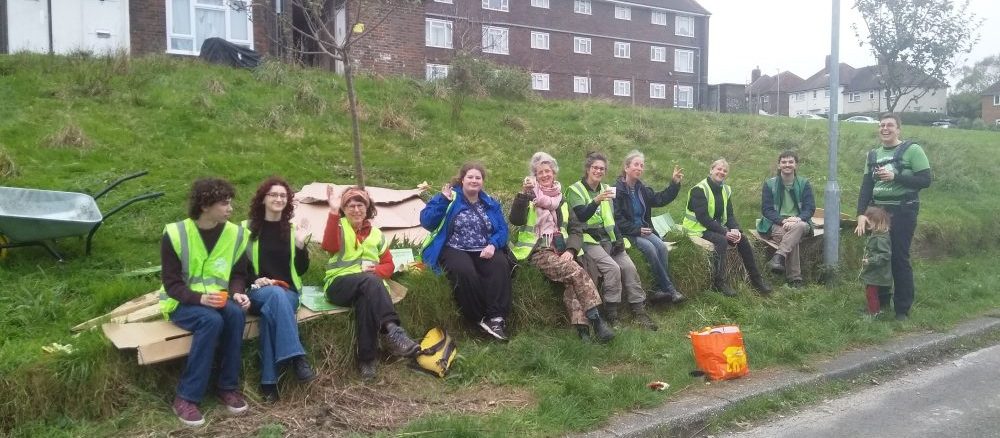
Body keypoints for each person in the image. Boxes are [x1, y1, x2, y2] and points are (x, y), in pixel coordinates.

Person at [159, 178, 250, 427]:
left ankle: (227, 387)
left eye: (230, 203)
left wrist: (238, 292)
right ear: (205, 205)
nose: (230, 209)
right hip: (182, 302)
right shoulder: (176, 234)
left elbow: (238, 274)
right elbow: (172, 284)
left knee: (235, 314)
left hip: (217, 298)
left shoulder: (236, 234)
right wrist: (199, 298)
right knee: (210, 320)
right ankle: (186, 397)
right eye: (224, 203)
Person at [509, 152, 615, 342]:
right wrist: (524, 195)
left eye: (547, 171)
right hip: (540, 251)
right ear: (535, 175)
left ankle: (583, 333)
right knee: (576, 271)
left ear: (554, 173)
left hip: (562, 250)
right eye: (539, 172)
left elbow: (575, 228)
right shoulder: (529, 196)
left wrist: (570, 250)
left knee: (572, 282)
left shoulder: (561, 199)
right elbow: (515, 219)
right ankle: (597, 322)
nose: (544, 175)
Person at [321, 186, 420, 380]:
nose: (356, 210)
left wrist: (377, 270)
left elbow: (389, 264)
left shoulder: (376, 234)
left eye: (360, 205)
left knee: (366, 303)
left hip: (369, 288)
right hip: (339, 284)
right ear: (344, 209)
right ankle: (392, 330)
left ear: (367, 209)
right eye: (351, 206)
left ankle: (367, 361)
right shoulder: (338, 225)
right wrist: (333, 211)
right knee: (371, 282)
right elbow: (328, 246)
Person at [420, 162, 514, 341]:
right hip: (455, 247)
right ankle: (479, 318)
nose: (474, 180)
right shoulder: (449, 197)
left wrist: (493, 245)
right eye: (470, 177)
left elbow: (502, 230)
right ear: (462, 179)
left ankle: (497, 318)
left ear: (482, 182)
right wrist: (442, 201)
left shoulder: (490, 203)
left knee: (500, 265)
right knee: (464, 271)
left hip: (484, 247)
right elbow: (427, 222)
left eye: (478, 178)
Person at [566, 151, 658, 330]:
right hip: (589, 239)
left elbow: (612, 217)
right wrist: (596, 201)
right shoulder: (575, 189)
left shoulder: (607, 188)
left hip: (608, 237)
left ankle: (639, 310)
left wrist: (619, 239)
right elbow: (582, 216)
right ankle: (612, 314)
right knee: (613, 269)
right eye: (595, 168)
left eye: (602, 169)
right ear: (587, 169)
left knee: (630, 267)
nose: (598, 171)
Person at [243, 177, 315, 402]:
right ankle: (296, 357)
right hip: (256, 291)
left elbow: (301, 270)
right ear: (263, 199)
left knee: (272, 309)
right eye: (273, 195)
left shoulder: (293, 230)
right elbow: (236, 268)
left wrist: (301, 245)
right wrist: (256, 280)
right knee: (274, 295)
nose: (278, 199)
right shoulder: (246, 230)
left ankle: (268, 384)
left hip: (288, 293)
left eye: (283, 195)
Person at [854, 113, 931, 321]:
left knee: (898, 257)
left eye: (890, 125)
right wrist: (861, 214)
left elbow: (925, 180)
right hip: (879, 213)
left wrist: (896, 177)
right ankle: (880, 303)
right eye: (881, 125)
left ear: (899, 129)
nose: (885, 129)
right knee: (879, 257)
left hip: (904, 210)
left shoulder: (912, 150)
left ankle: (902, 310)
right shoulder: (873, 155)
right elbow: (866, 187)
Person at [682, 159, 772, 297]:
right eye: (719, 169)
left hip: (714, 226)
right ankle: (719, 282)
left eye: (725, 171)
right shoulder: (699, 190)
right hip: (697, 228)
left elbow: (729, 214)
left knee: (742, 239)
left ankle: (757, 280)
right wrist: (725, 232)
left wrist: (735, 229)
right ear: (711, 170)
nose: (721, 172)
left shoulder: (726, 189)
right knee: (721, 241)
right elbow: (703, 218)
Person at [612, 150, 686, 304]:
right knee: (651, 249)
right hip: (628, 233)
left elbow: (660, 199)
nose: (639, 168)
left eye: (641, 165)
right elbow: (617, 219)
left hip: (644, 230)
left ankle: (659, 289)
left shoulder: (642, 189)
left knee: (662, 247)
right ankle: (670, 289)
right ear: (626, 168)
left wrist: (674, 184)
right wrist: (637, 230)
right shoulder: (617, 190)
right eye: (636, 165)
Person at [757, 151, 815, 288]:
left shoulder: (804, 183)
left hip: (799, 222)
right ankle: (795, 279)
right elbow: (766, 210)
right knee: (791, 238)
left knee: (799, 227)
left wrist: (797, 219)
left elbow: (810, 208)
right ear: (779, 165)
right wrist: (783, 221)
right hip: (777, 223)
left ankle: (779, 257)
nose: (787, 165)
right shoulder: (769, 184)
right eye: (783, 162)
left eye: (790, 162)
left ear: (796, 165)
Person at [860, 206, 892, 317]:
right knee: (871, 292)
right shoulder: (877, 235)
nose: (868, 226)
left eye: (870, 223)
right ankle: (874, 309)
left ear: (877, 222)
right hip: (874, 272)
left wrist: (870, 260)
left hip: (877, 273)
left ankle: (874, 313)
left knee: (871, 293)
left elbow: (885, 255)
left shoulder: (880, 238)